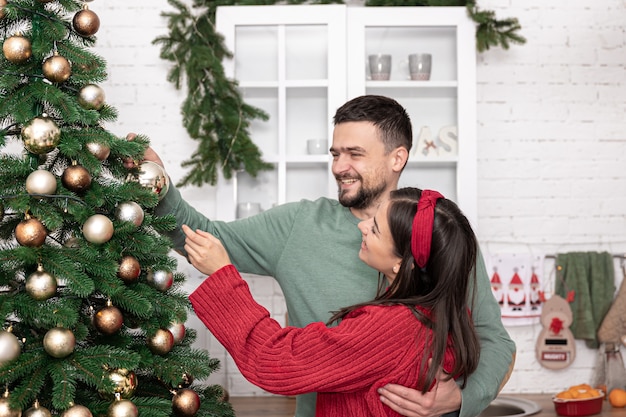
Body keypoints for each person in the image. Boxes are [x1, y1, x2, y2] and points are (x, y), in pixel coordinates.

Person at [130, 94, 515, 417]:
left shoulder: (440, 239)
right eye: (335, 153)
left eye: (355, 154)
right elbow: (204, 238)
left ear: (397, 158)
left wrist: (463, 398)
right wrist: (158, 187)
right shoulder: (299, 224)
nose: (339, 167)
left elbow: (493, 340)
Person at [184, 187, 481, 417]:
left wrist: (223, 276)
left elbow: (276, 359)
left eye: (375, 229)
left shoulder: (390, 328)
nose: (362, 227)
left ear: (403, 264)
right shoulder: (442, 312)